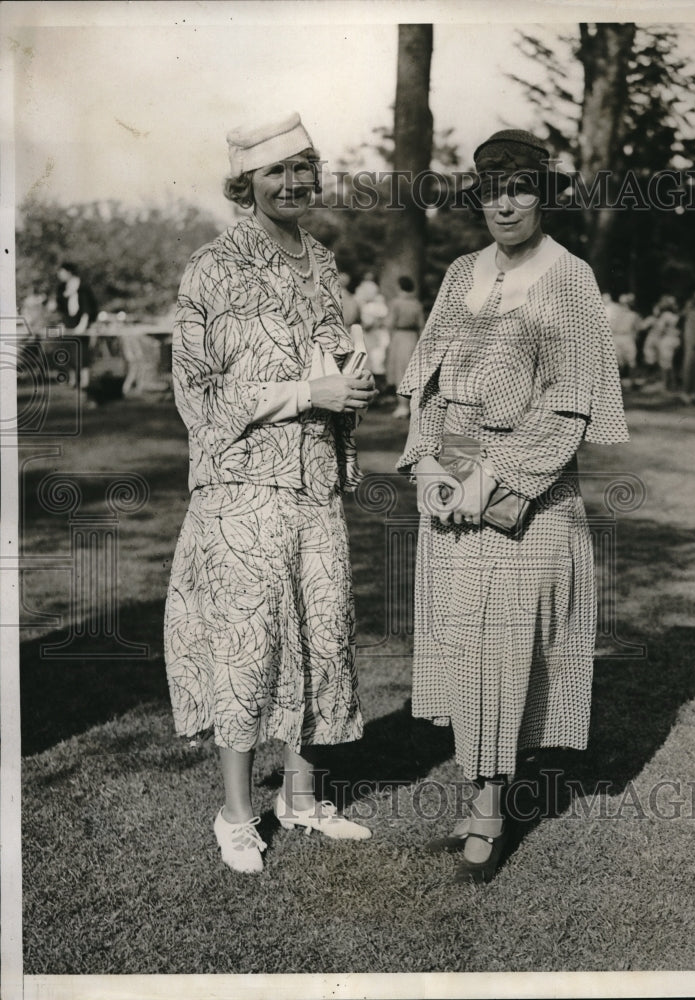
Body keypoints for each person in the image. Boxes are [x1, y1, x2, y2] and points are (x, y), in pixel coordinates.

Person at [396, 128, 628, 884]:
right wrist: (430, 461)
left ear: (544, 192)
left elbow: (567, 408)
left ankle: (490, 811)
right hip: (450, 492)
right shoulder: (462, 270)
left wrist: (489, 477)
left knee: (503, 651)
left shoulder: (570, 279)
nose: (505, 203)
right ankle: (478, 787)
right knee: (464, 647)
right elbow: (426, 378)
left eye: (520, 186)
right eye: (492, 189)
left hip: (524, 497)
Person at [164, 112, 378, 875]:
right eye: (274, 173)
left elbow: (330, 364)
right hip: (242, 487)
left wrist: (350, 387)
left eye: (302, 169)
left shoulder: (321, 262)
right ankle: (234, 813)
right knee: (247, 648)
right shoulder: (212, 267)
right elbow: (198, 395)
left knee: (323, 635)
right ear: (244, 184)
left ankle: (301, 795)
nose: (292, 184)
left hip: (314, 481)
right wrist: (304, 391)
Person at [55, 262, 98, 401]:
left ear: (69, 272)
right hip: (68, 323)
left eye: (61, 271)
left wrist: (83, 325)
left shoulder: (83, 287)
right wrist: (62, 323)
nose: (59, 275)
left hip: (82, 323)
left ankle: (85, 382)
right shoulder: (61, 288)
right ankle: (73, 380)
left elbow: (87, 308)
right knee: (68, 351)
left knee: (83, 353)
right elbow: (60, 308)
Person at [386, 275, 425, 418]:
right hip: (413, 338)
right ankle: (412, 406)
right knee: (411, 371)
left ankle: (402, 406)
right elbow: (421, 325)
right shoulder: (416, 304)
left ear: (399, 287)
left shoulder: (396, 303)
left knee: (400, 371)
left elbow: (390, 323)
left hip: (400, 337)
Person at [609, 293, 639, 387]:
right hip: (618, 337)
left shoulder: (633, 315)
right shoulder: (613, 313)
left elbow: (636, 328)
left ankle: (631, 382)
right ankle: (619, 384)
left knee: (630, 361)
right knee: (619, 362)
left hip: (625, 337)